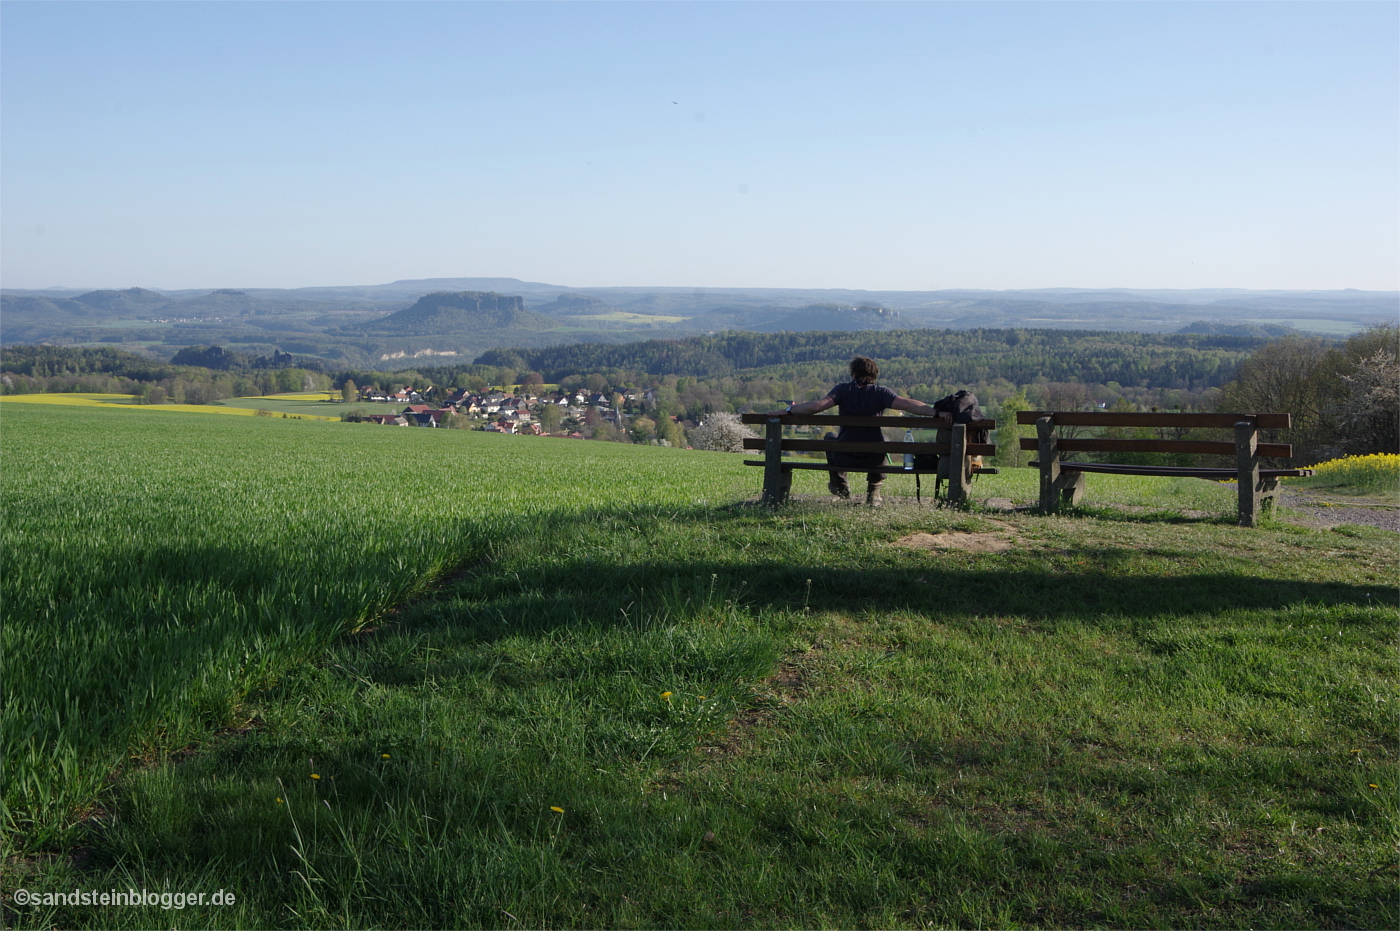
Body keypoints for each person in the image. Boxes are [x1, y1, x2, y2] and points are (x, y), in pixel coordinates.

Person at [782, 356, 950, 506]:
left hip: (844, 457)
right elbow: (908, 404)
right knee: (884, 440)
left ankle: (840, 487)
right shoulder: (881, 393)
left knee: (830, 437)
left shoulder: (842, 390)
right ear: (874, 375)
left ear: (853, 374)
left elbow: (816, 406)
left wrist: (789, 410)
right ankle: (874, 491)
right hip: (874, 459)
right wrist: (936, 413)